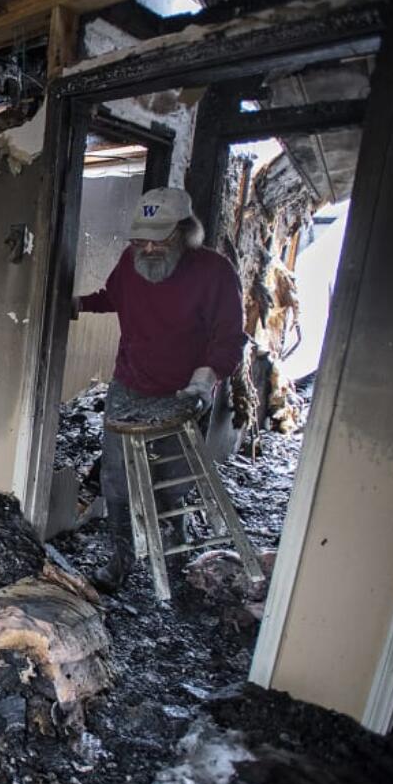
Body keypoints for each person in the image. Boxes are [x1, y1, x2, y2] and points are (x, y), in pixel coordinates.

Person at [74, 187, 246, 593]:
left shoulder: (215, 273)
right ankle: (120, 557)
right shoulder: (131, 263)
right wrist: (75, 304)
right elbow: (112, 297)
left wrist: (206, 379)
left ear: (186, 233)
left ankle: (172, 548)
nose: (148, 248)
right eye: (140, 239)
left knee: (169, 476)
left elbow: (230, 337)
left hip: (182, 391)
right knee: (116, 477)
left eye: (160, 239)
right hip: (130, 385)